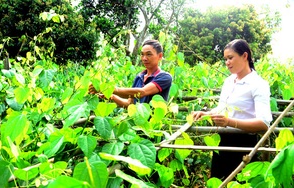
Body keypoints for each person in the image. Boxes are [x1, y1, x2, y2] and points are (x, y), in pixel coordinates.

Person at [191, 39, 272, 180]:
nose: (227, 62)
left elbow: (264, 123)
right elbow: (222, 107)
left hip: (243, 145)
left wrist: (230, 122)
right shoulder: (229, 81)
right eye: (225, 59)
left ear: (245, 56)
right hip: (223, 140)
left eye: (230, 58)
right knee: (218, 181)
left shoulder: (258, 84)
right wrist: (207, 114)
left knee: (239, 182)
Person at [89, 39, 172, 107]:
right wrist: (111, 96)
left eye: (149, 54)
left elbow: (142, 92)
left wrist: (108, 88)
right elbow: (129, 104)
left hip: (153, 126)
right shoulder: (139, 77)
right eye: (142, 54)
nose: (144, 58)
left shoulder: (165, 77)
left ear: (160, 56)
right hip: (135, 124)